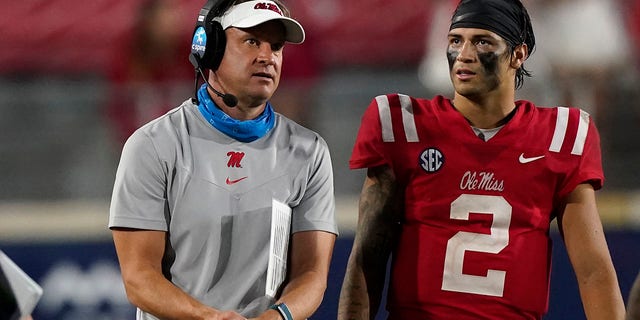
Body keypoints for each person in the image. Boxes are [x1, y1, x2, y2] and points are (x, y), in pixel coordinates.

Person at [338, 0, 625, 319]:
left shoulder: (561, 135)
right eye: (455, 40)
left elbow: (593, 271)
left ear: (518, 54)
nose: (464, 54)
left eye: (483, 41)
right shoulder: (404, 125)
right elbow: (367, 258)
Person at [108, 0, 338, 319]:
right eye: (251, 41)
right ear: (211, 49)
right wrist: (210, 318)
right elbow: (139, 279)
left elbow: (311, 275)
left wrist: (276, 317)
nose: (267, 56)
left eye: (276, 46)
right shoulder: (151, 145)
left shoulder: (310, 152)